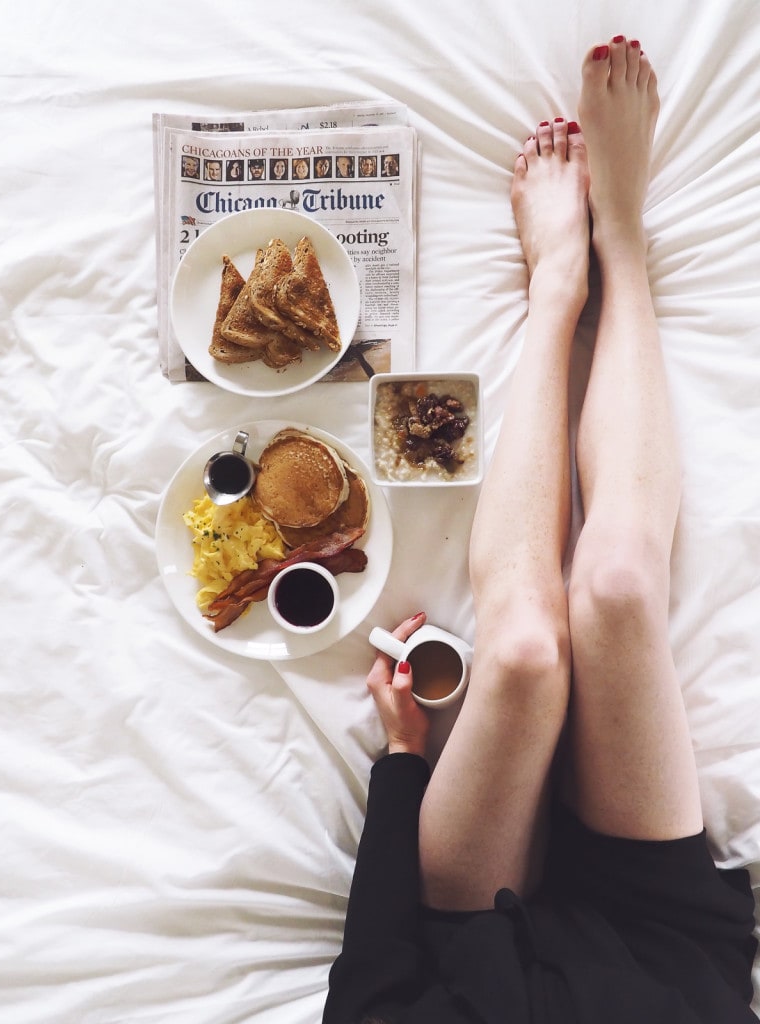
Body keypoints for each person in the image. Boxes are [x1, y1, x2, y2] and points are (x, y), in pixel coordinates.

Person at [323, 37, 757, 1024]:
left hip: (468, 935)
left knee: (522, 649)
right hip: (659, 951)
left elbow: (374, 981)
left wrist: (401, 766)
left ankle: (557, 289)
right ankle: (623, 245)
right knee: (615, 589)